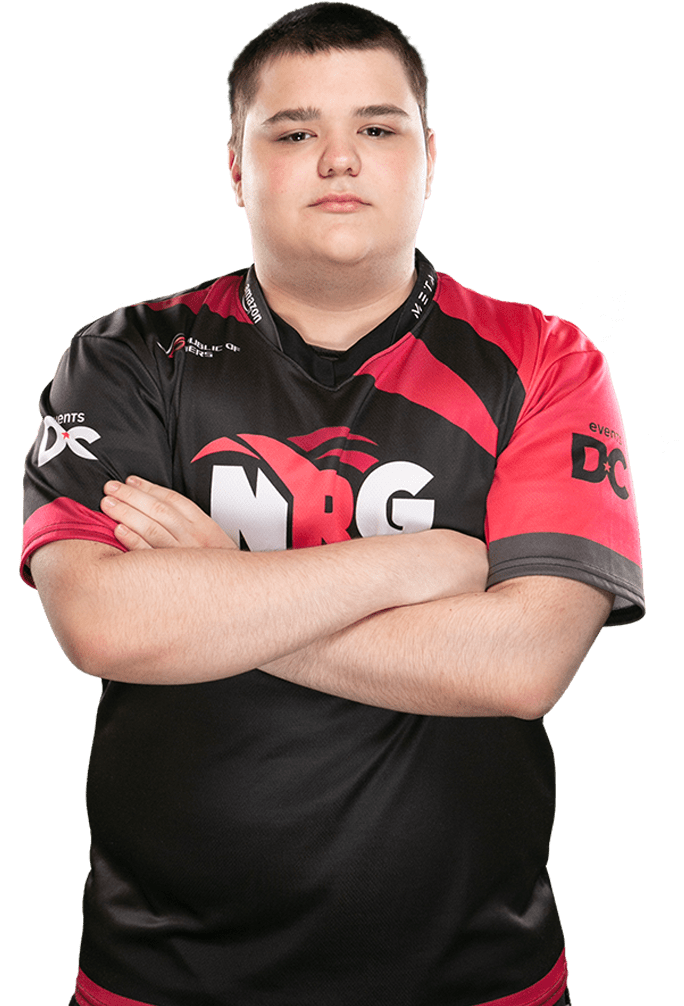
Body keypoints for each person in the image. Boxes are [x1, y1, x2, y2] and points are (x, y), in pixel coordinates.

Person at [20, 4, 644, 1005]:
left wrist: (217, 591)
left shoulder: (544, 359)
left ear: (429, 158)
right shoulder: (126, 354)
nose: (339, 159)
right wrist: (420, 564)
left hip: (477, 972)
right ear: (236, 167)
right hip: (162, 973)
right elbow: (100, 624)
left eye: (377, 128)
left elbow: (525, 665)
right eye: (294, 132)